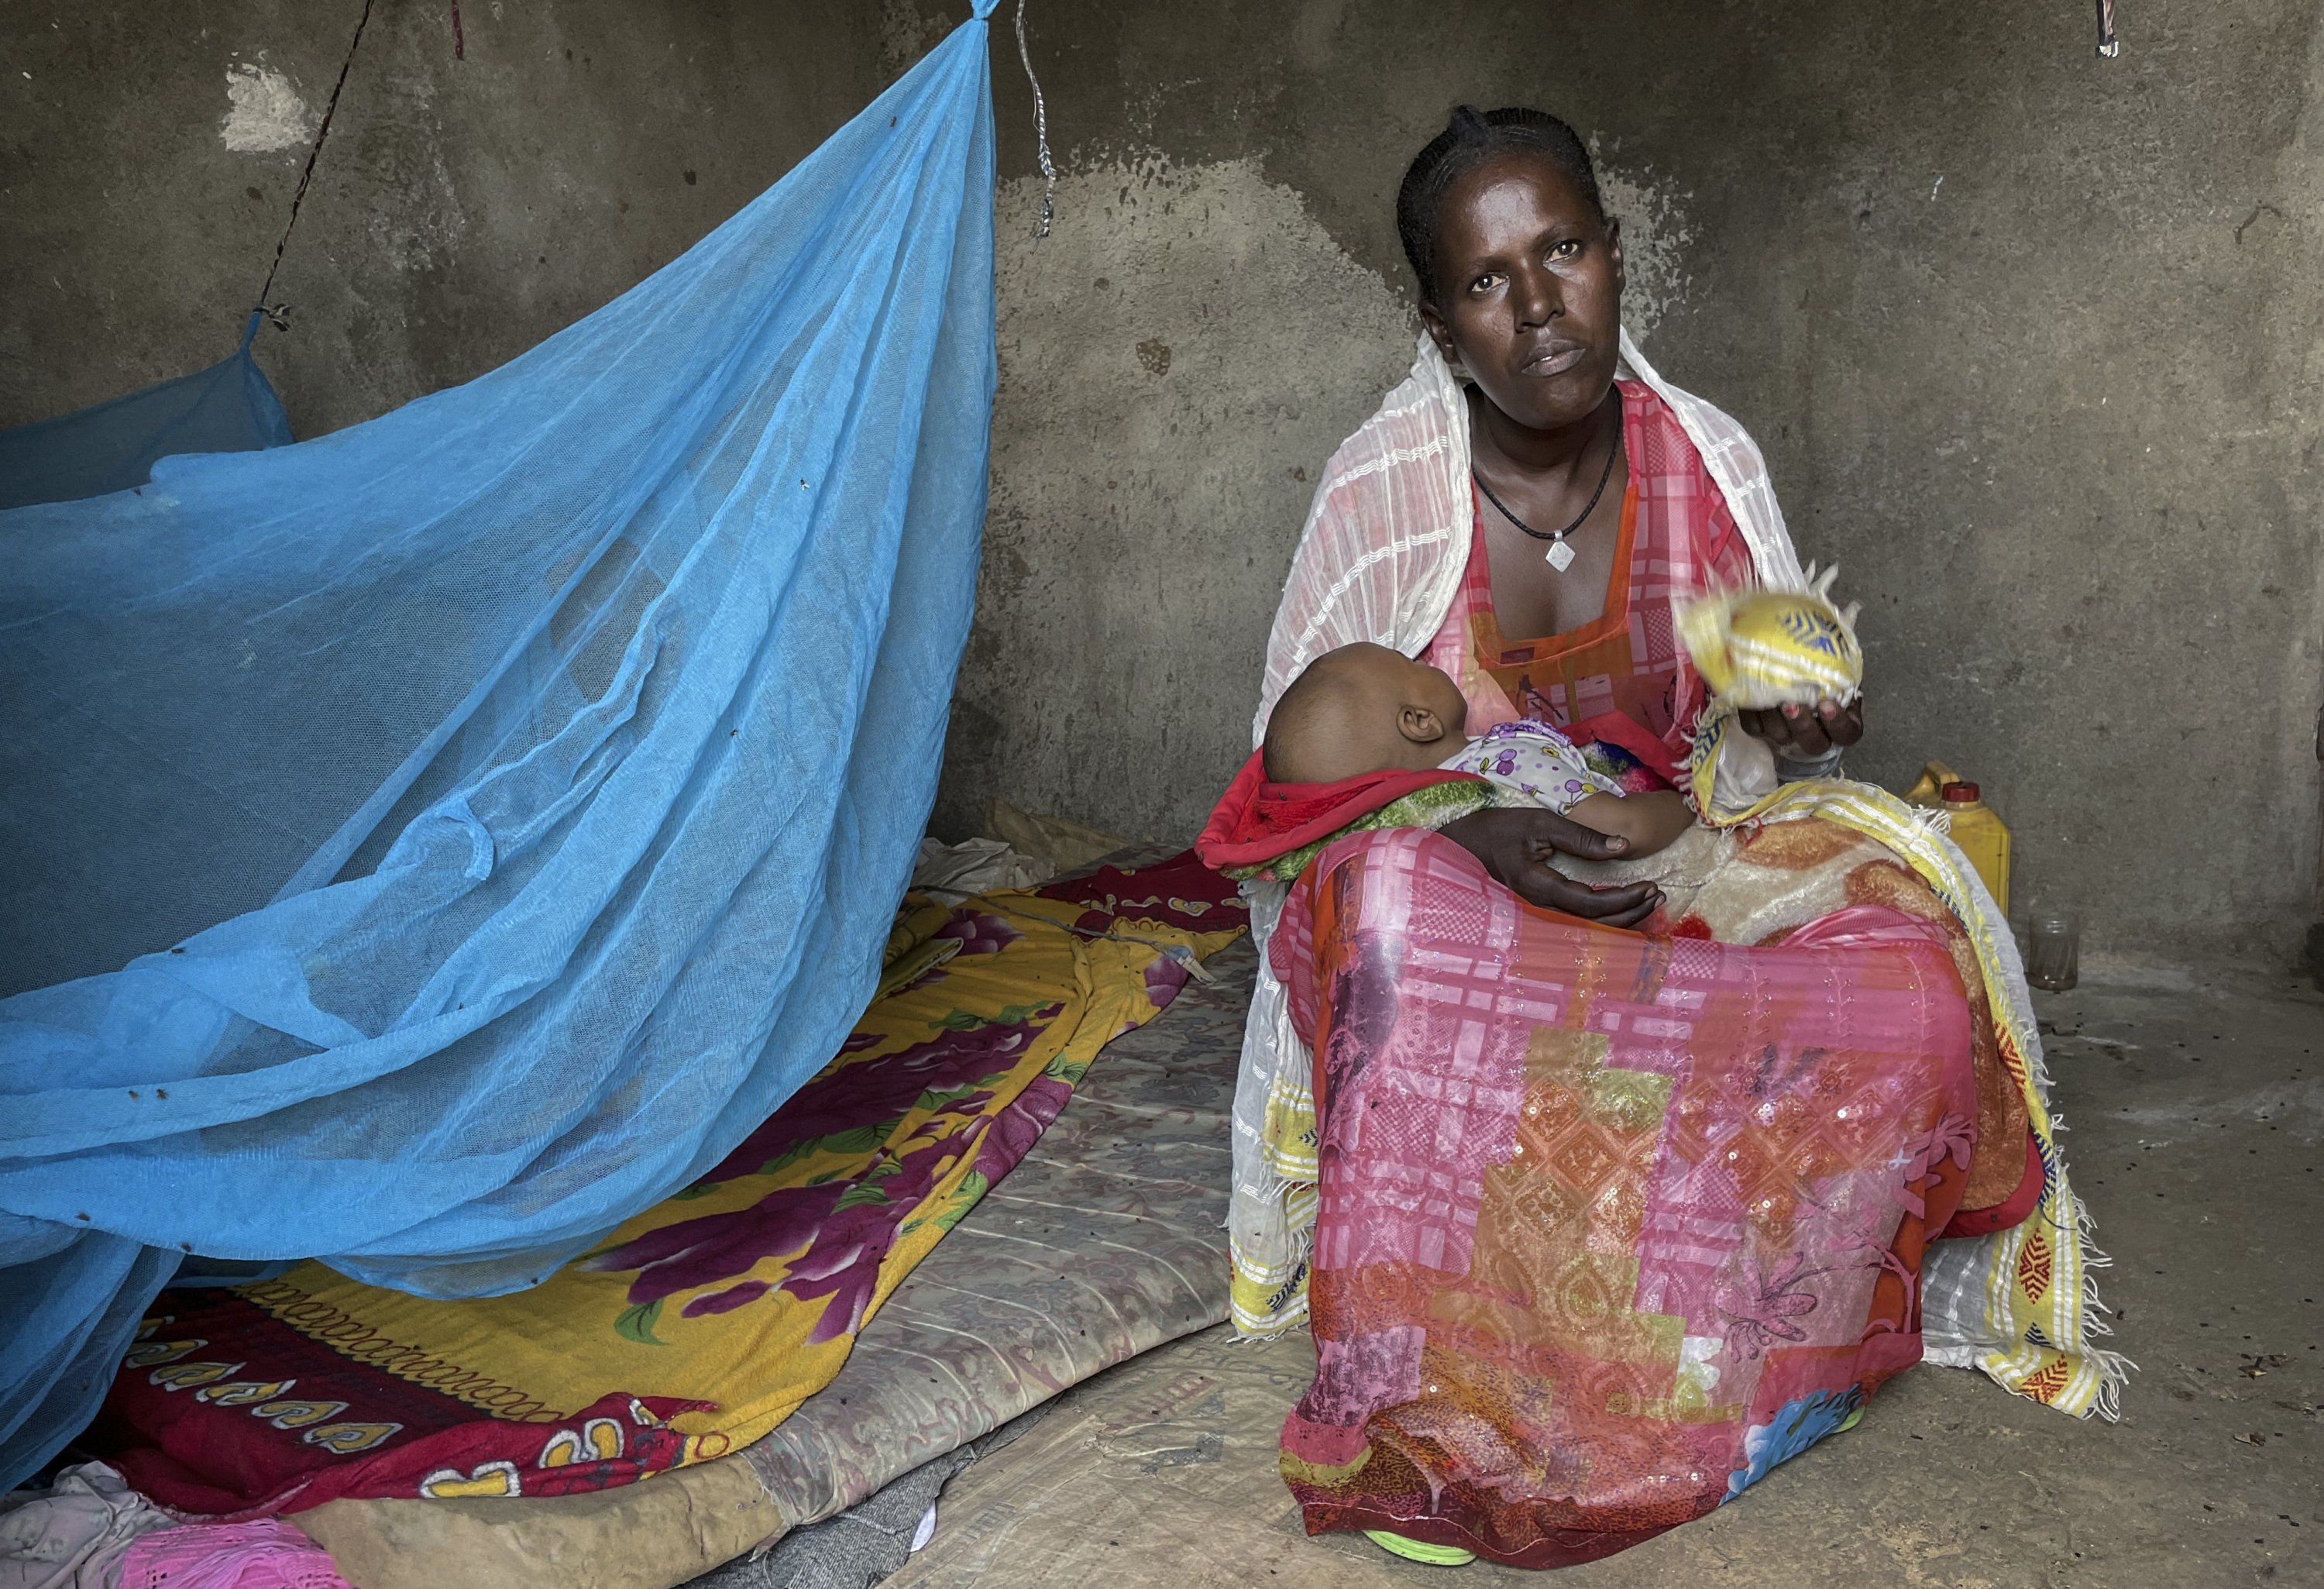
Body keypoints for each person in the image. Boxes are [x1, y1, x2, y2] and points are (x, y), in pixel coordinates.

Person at [1209, 105, 2119, 1570]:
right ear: (1440, 324)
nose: (1538, 302)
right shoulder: (1383, 492)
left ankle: (1778, 1346)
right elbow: (1292, 793)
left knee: (1915, 972)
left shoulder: (1706, 457)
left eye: (1562, 248)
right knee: (1382, 906)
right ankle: (1452, 1394)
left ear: (1617, 259)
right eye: (1489, 280)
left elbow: (1757, 749)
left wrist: (1798, 723)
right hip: (1490, 932)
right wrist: (1471, 827)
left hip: (1683, 886)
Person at [1260, 641, 1695, 856]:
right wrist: (1696, 804)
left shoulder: (1429, 812)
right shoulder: (1509, 765)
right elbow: (1624, 830)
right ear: (1419, 722)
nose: (1427, 662)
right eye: (1413, 664)